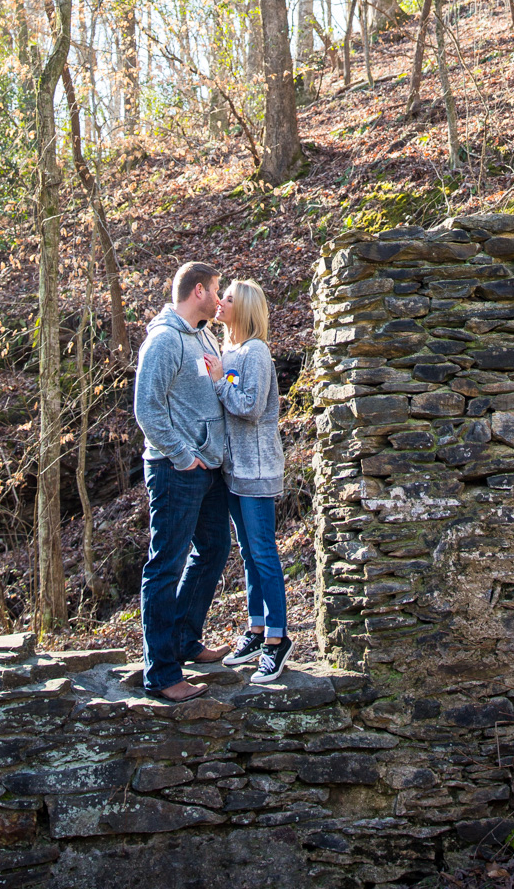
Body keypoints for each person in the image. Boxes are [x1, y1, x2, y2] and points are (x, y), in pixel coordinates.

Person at [133, 260, 231, 702]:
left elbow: (214, 385)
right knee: (165, 565)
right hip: (176, 470)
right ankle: (162, 673)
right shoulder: (164, 340)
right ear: (197, 292)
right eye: (216, 289)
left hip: (208, 467)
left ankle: (186, 641)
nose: (219, 297)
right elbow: (147, 409)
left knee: (213, 549)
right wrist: (183, 455)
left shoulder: (204, 334)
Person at [206, 278, 291, 684]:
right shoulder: (229, 348)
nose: (219, 303)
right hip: (234, 471)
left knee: (263, 552)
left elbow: (251, 408)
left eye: (227, 299)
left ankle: (278, 640)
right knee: (248, 552)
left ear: (245, 308)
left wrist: (221, 379)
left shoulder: (256, 352)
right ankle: (256, 630)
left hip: (257, 468)